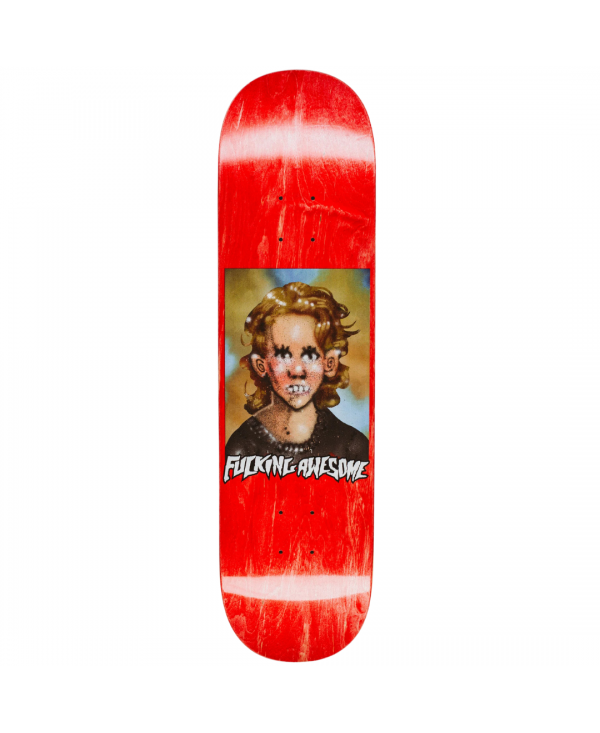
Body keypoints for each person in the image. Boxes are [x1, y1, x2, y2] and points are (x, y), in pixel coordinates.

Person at [225, 281, 369, 462]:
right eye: (283, 355)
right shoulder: (243, 448)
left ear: (329, 363)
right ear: (261, 365)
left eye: (309, 355)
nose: (298, 370)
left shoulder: (351, 447)